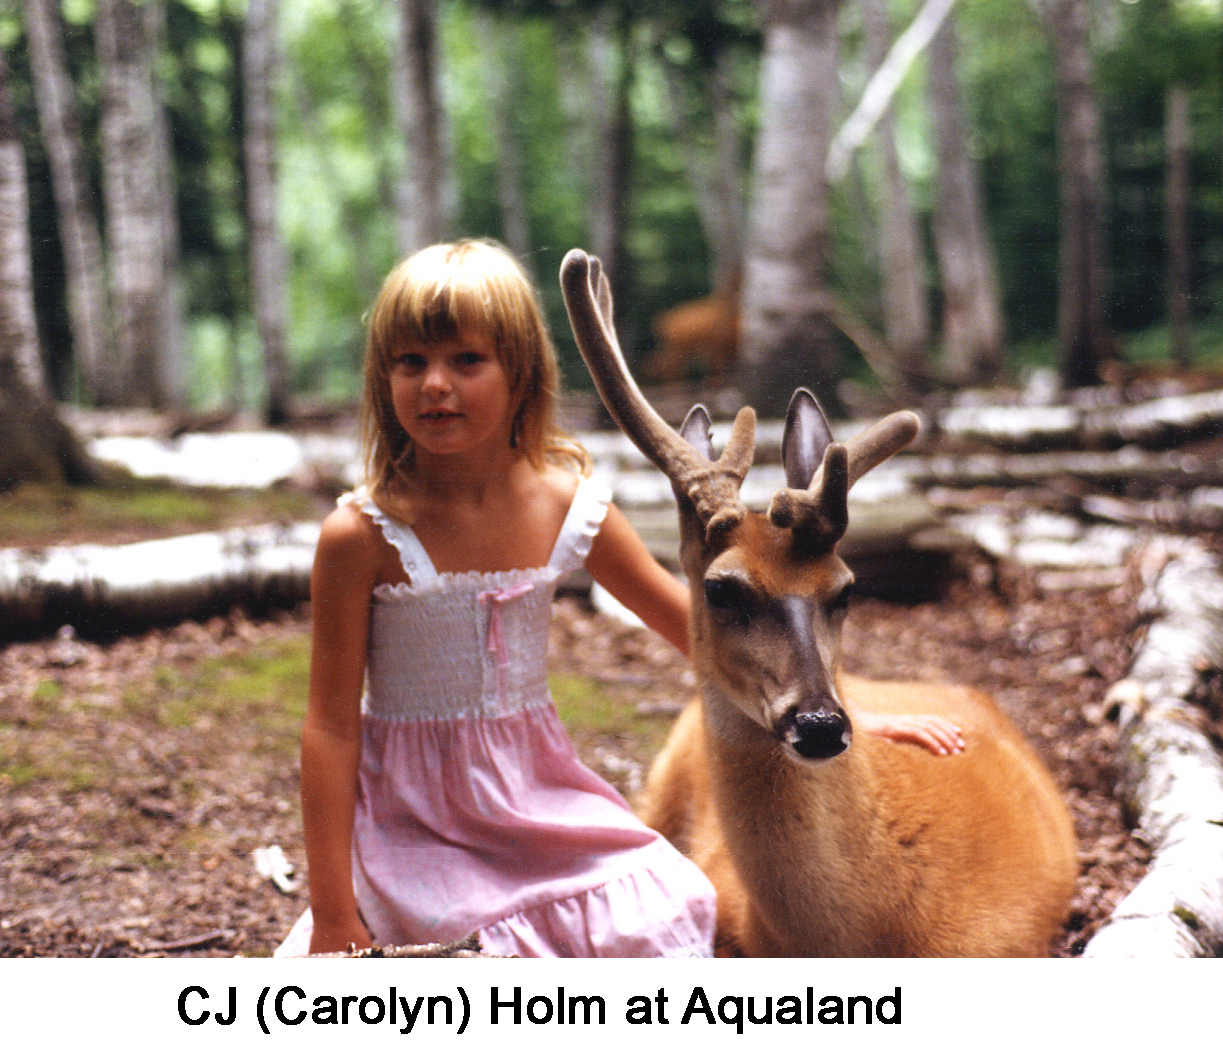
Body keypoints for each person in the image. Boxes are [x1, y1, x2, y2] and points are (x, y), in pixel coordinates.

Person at [276, 239, 963, 958]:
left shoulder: (564, 506)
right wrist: (331, 912)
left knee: (671, 902)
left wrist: (850, 712)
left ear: (520, 375)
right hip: (410, 820)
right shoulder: (359, 536)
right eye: (410, 362)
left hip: (533, 799)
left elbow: (695, 633)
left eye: (465, 360)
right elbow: (329, 728)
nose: (434, 385)